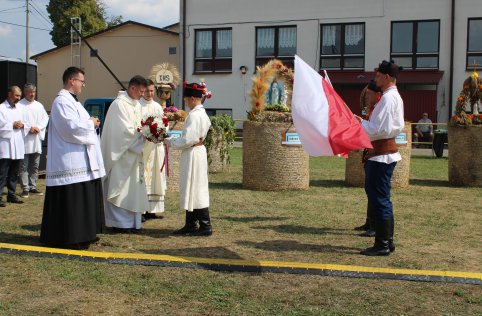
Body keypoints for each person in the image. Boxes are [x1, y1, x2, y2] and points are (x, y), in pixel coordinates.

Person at [40, 67, 105, 250]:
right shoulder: (61, 102)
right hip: (69, 161)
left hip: (82, 159)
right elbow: (71, 128)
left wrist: (91, 123)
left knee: (83, 199)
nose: (83, 85)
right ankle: (71, 237)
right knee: (73, 201)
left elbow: (79, 124)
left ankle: (86, 234)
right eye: (81, 81)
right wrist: (91, 124)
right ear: (71, 80)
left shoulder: (75, 103)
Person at [356, 60, 404, 256]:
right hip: (383, 154)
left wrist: (358, 123)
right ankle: (387, 241)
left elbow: (377, 130)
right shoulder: (393, 96)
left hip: (381, 155)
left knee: (380, 198)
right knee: (381, 198)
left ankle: (383, 243)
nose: (375, 78)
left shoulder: (387, 99)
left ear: (386, 77)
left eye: (378, 75)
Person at [101, 75, 150, 233]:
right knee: (120, 188)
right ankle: (119, 223)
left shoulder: (136, 104)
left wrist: (149, 131)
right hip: (121, 155)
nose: (143, 94)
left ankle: (132, 223)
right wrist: (143, 133)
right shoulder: (119, 105)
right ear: (132, 88)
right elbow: (123, 132)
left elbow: (139, 125)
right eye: (141, 91)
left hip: (134, 154)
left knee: (133, 189)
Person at [164, 81, 212, 236]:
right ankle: (191, 223)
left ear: (192, 98)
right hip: (198, 152)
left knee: (195, 187)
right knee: (193, 186)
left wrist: (169, 141)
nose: (185, 102)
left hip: (193, 153)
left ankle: (205, 225)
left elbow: (187, 140)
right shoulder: (202, 113)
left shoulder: (194, 115)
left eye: (185, 99)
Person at [354, 80, 381, 238]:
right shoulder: (372, 109)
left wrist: (361, 122)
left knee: (374, 190)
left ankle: (375, 225)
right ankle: (369, 221)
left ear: (377, 95)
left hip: (376, 151)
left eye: (369, 94)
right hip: (369, 151)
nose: (366, 96)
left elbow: (375, 130)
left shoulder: (378, 109)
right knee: (369, 189)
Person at [140, 79, 166, 220]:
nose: (149, 93)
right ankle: (142, 209)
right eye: (147, 90)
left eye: (151, 91)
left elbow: (164, 123)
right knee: (144, 177)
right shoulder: (138, 105)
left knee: (156, 178)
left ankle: (152, 210)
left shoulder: (157, 106)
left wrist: (161, 131)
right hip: (144, 148)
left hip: (156, 148)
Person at [18, 83, 49, 198]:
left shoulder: (39, 105)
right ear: (25, 92)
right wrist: (28, 128)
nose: (32, 94)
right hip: (24, 139)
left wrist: (38, 127)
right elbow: (17, 120)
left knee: (35, 165)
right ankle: (25, 188)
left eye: (34, 92)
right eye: (30, 92)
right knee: (24, 166)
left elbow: (45, 119)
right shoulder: (19, 105)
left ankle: (33, 186)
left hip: (36, 139)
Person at [0, 86, 29, 206]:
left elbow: (26, 123)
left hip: (17, 145)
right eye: (16, 95)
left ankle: (11, 195)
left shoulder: (20, 109)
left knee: (14, 173)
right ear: (9, 94)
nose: (18, 98)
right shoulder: (1, 108)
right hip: (5, 146)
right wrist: (12, 125)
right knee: (2, 173)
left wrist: (22, 125)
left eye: (19, 96)